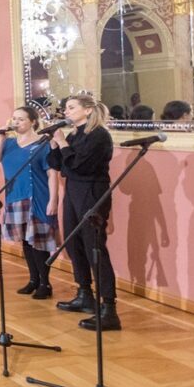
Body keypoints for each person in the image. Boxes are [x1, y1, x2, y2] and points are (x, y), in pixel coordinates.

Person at [48, 94, 120, 331]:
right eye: (65, 108)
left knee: (94, 247)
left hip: (92, 191)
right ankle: (84, 293)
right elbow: (60, 165)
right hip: (73, 190)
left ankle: (109, 308)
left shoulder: (99, 135)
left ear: (88, 110)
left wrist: (64, 144)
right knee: (73, 243)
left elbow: (80, 164)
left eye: (71, 107)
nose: (65, 112)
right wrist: (55, 145)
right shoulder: (74, 134)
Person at [0, 107, 60, 299]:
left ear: (33, 122)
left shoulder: (43, 143)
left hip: (37, 197)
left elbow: (52, 174)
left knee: (38, 242)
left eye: (21, 119)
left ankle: (45, 283)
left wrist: (53, 200)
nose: (16, 122)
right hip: (15, 197)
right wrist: (2, 137)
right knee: (26, 242)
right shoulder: (9, 143)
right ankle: (33, 280)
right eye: (14, 118)